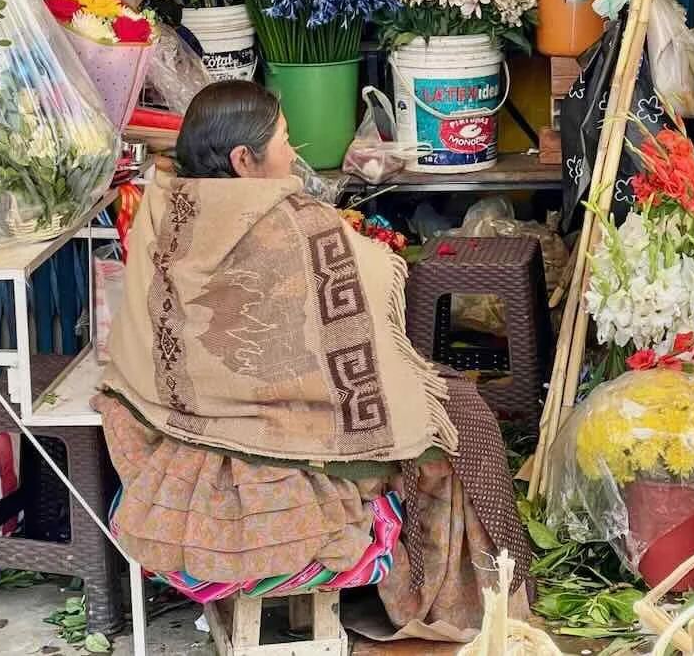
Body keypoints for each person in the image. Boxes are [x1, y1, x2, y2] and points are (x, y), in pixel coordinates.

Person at [95, 81, 528, 638]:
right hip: (279, 446)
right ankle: (453, 604)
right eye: (284, 140)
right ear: (244, 161)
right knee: (460, 424)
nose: (293, 154)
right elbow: (363, 317)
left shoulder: (164, 207)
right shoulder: (291, 227)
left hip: (170, 424)